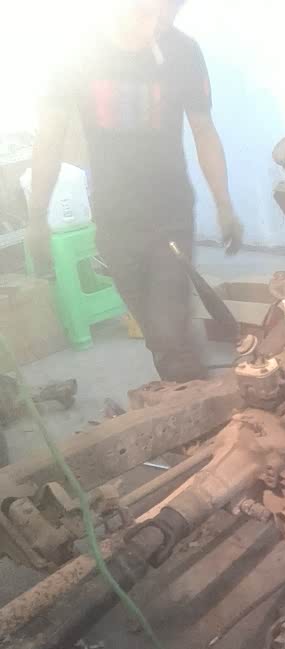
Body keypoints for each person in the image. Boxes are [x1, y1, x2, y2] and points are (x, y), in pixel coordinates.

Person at [27, 0, 243, 382]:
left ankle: (197, 394)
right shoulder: (76, 53)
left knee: (170, 330)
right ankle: (190, 389)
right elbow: (49, 138)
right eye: (147, 12)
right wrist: (36, 218)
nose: (158, 23)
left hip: (170, 214)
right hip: (114, 218)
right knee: (158, 335)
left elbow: (204, 130)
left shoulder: (182, 51)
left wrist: (224, 204)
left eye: (168, 13)